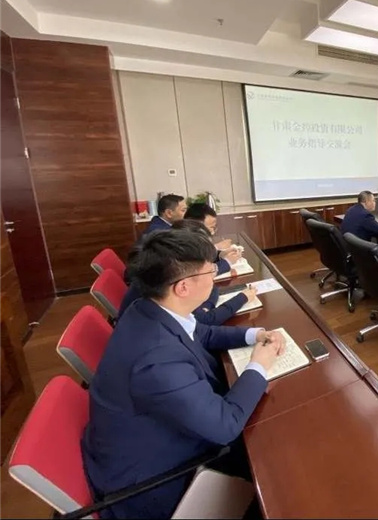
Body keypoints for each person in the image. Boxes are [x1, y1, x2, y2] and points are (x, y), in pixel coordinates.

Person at [81, 229, 286, 519]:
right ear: (183, 287)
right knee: (274, 451)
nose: (215, 275)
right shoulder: (157, 361)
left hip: (146, 439)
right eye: (210, 270)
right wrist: (259, 365)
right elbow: (225, 424)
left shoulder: (148, 308)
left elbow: (200, 332)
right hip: (157, 484)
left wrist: (254, 334)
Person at [118, 220, 257, 325]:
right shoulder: (166, 276)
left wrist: (206, 306)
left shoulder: (169, 264)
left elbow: (212, 289)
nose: (211, 270)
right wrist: (241, 298)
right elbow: (204, 321)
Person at [184, 203, 240, 268]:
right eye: (211, 227)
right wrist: (227, 262)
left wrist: (221, 254)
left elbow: (205, 257)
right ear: (195, 225)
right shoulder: (185, 242)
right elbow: (202, 270)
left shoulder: (195, 237)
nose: (212, 231)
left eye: (214, 227)